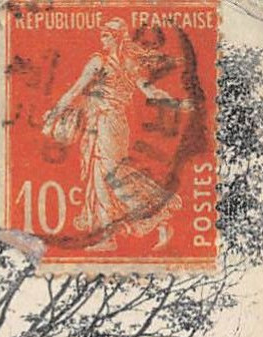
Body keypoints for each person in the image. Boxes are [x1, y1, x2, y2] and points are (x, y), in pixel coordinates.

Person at [40, 18, 190, 251]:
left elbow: (75, 90)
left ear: (116, 37)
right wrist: (178, 104)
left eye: (107, 35)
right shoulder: (128, 64)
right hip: (109, 124)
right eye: (102, 35)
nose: (103, 39)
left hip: (106, 124)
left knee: (110, 176)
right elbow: (151, 91)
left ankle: (152, 217)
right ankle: (111, 235)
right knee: (102, 177)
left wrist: (54, 114)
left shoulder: (99, 62)